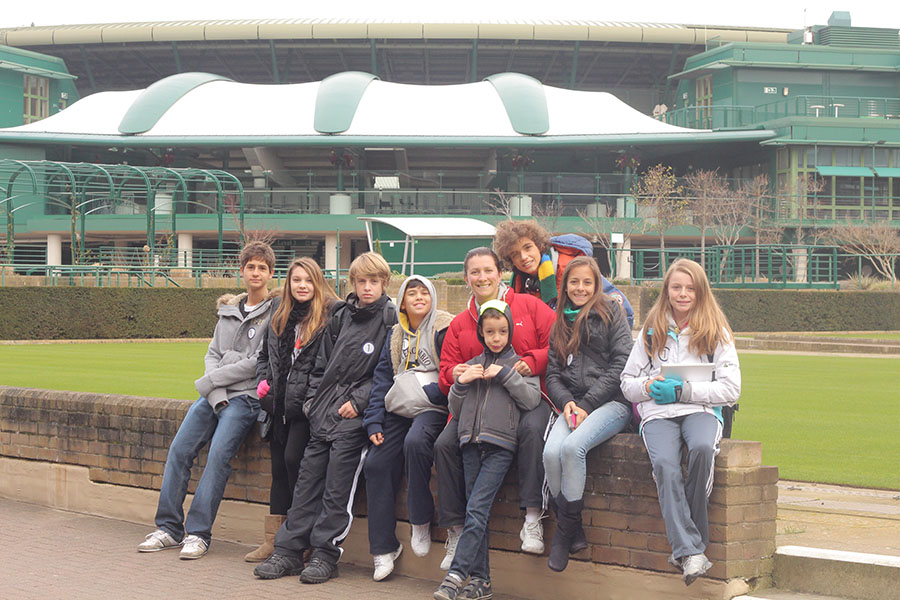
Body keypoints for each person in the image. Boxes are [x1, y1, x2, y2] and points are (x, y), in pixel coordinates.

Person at [254, 251, 397, 584]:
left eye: (374, 281)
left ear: (384, 283)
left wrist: (358, 401)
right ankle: (289, 551)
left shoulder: (390, 318)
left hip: (355, 418)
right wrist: (313, 404)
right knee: (307, 482)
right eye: (361, 281)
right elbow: (321, 366)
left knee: (337, 488)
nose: (367, 287)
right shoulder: (342, 316)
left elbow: (388, 372)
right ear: (353, 283)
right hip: (323, 413)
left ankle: (325, 554)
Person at [137, 241, 277, 560]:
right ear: (242, 271)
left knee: (217, 458)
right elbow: (212, 354)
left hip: (245, 400)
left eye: (262, 268)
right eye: (251, 267)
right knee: (179, 450)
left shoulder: (274, 314)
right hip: (213, 396)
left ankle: (198, 533)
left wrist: (212, 380)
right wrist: (214, 388)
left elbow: (257, 362)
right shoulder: (227, 312)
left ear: (270, 274)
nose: (256, 273)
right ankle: (169, 528)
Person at [620, 258, 741, 586]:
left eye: (690, 288)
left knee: (702, 449)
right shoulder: (651, 329)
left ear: (701, 292)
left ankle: (687, 549)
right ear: (667, 290)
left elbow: (731, 389)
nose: (683, 294)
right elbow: (627, 383)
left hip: (701, 410)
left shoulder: (716, 331)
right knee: (665, 466)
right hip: (658, 414)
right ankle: (692, 551)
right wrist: (648, 387)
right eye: (676, 287)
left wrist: (685, 390)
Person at [435, 247, 555, 568]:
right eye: (474, 272)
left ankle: (532, 517)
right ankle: (456, 530)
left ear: (500, 273)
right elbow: (446, 371)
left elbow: (558, 343)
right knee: (443, 444)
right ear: (466, 278)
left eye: (488, 270)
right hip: (476, 405)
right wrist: (456, 373)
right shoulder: (460, 323)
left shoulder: (529, 305)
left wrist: (533, 360)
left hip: (526, 397)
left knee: (532, 430)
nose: (482, 277)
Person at [434, 300, 541, 600]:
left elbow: (531, 400)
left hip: (500, 447)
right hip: (470, 445)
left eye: (502, 331)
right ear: (481, 332)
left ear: (510, 331)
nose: (496, 338)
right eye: (490, 332)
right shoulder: (472, 364)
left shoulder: (518, 364)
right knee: (475, 511)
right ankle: (481, 581)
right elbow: (455, 409)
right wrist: (460, 383)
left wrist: (506, 375)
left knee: (477, 509)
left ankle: (455, 576)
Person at [244, 257, 339, 562]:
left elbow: (326, 369)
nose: (302, 285)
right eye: (296, 280)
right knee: (278, 471)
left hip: (306, 410)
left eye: (308, 280)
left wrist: (308, 402)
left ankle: (301, 538)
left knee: (295, 464)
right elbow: (264, 357)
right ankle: (273, 540)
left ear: (318, 283)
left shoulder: (328, 317)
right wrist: (263, 384)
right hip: (277, 406)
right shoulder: (279, 313)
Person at [542, 256, 634, 572]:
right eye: (574, 282)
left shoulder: (612, 313)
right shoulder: (560, 320)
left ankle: (562, 536)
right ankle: (573, 527)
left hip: (611, 403)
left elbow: (622, 364)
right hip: (573, 404)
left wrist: (587, 404)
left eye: (587, 282)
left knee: (572, 448)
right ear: (565, 285)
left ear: (596, 285)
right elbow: (552, 374)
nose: (580, 288)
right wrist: (567, 401)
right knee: (550, 454)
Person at [362, 275, 454, 581]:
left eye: (424, 292)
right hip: (400, 408)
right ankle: (383, 548)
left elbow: (452, 371)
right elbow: (381, 381)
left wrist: (433, 393)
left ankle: (420, 520)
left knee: (415, 443)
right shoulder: (394, 335)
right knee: (375, 463)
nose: (418, 297)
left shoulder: (443, 328)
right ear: (401, 302)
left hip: (432, 407)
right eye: (411, 293)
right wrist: (374, 420)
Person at [492, 219, 634, 327]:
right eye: (515, 254)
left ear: (540, 246)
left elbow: (624, 312)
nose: (523, 257)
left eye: (527, 247)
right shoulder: (520, 284)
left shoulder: (571, 268)